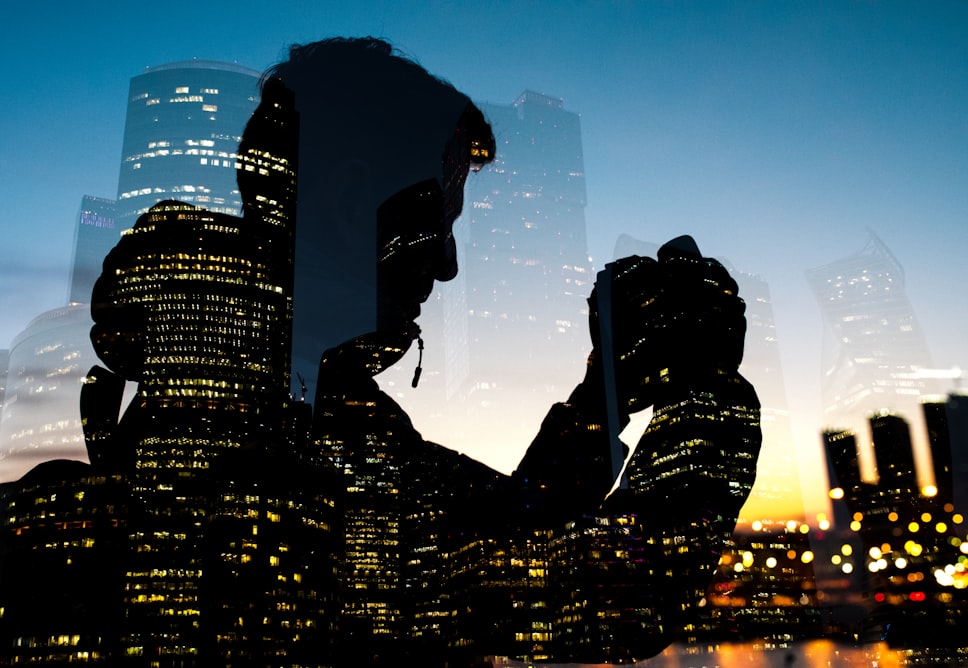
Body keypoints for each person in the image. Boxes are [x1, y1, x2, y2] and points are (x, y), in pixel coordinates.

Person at [82, 37, 761, 665]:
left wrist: (603, 393)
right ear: (353, 199)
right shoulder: (264, 437)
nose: (447, 264)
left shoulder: (283, 397)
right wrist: (705, 388)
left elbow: (495, 528)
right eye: (439, 217)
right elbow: (608, 587)